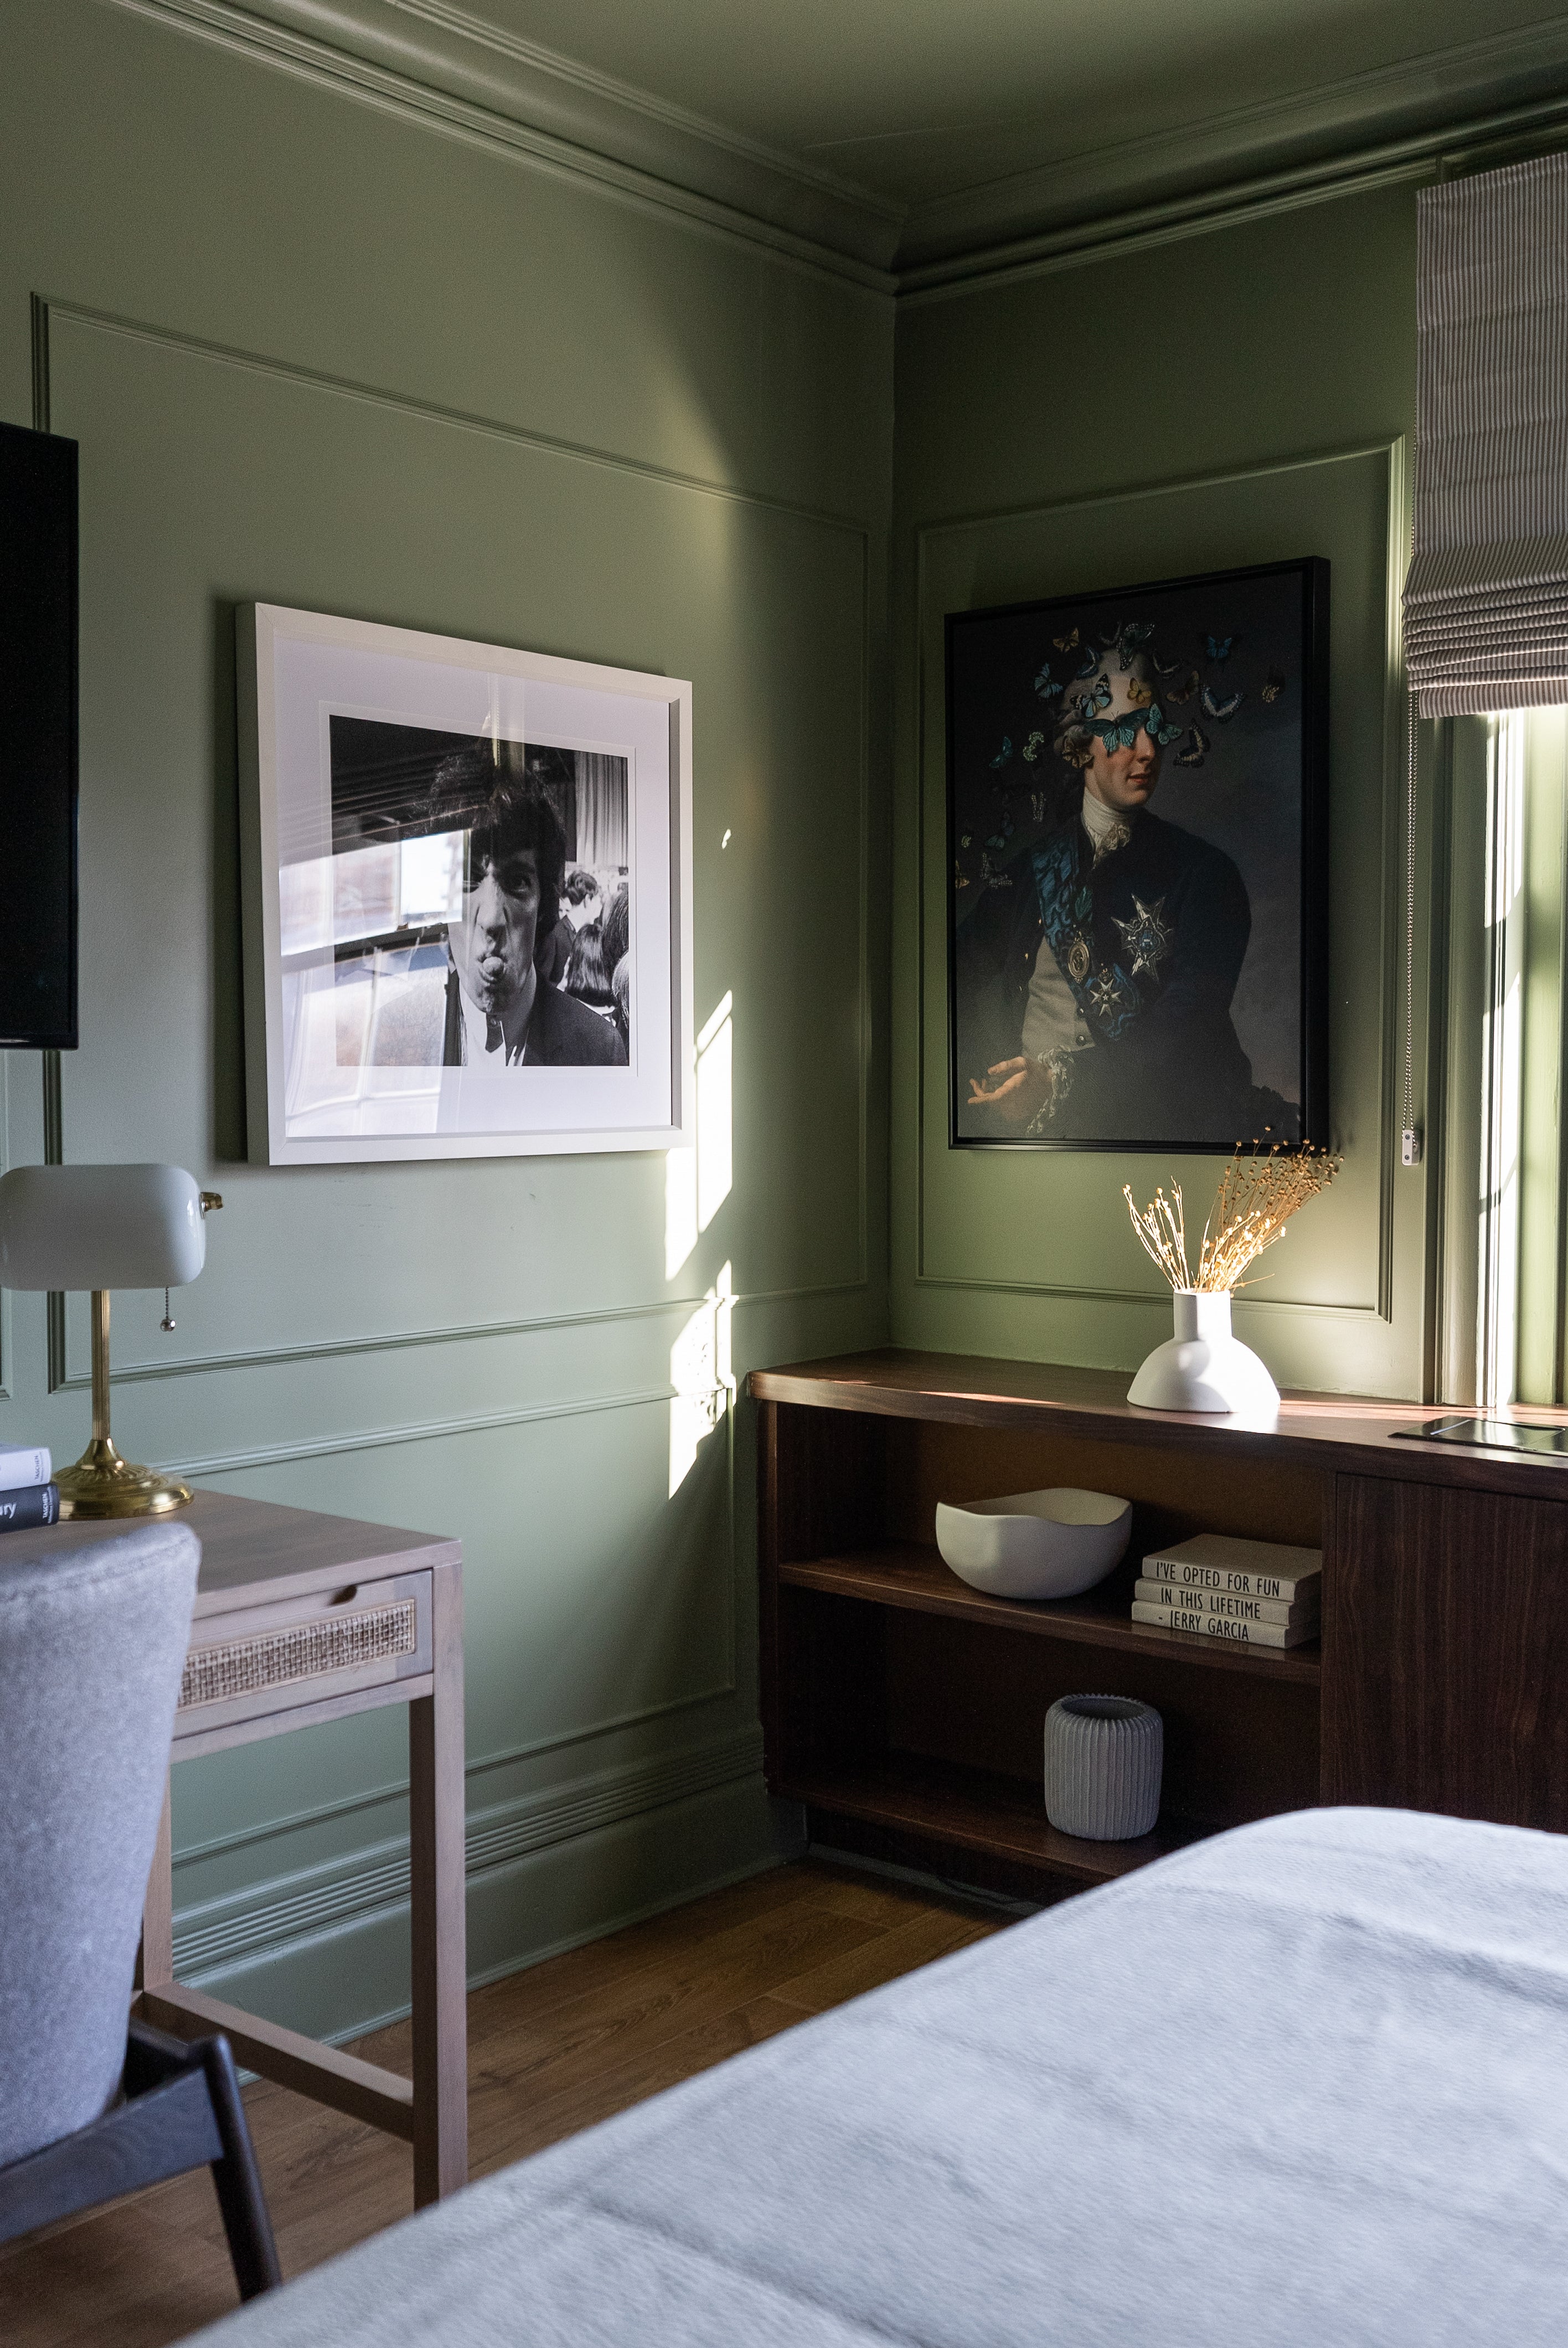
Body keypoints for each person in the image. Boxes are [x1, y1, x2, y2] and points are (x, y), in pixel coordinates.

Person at [958, 645, 1291, 1143]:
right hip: (1030, 1138)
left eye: (1153, 727)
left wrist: (1060, 1083)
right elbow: (951, 981)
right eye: (1122, 730)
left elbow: (1183, 1036)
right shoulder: (1028, 874)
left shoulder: (1205, 876)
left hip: (1154, 1134)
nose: (1149, 751)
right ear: (1080, 745)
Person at [435, 746, 626, 1068]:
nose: (493, 918)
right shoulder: (394, 1035)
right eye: (468, 880)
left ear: (544, 904)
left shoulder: (598, 1050)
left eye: (518, 882)